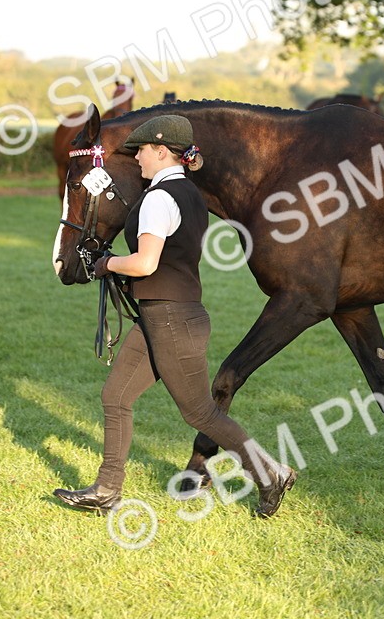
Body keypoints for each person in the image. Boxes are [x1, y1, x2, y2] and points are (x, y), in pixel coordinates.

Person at [54, 115, 296, 518]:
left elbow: (146, 263)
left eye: (142, 152)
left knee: (200, 412)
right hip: (160, 317)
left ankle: (271, 473)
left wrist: (106, 264)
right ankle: (107, 488)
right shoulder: (189, 194)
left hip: (170, 321)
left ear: (162, 151)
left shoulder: (158, 199)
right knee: (115, 396)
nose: (138, 160)